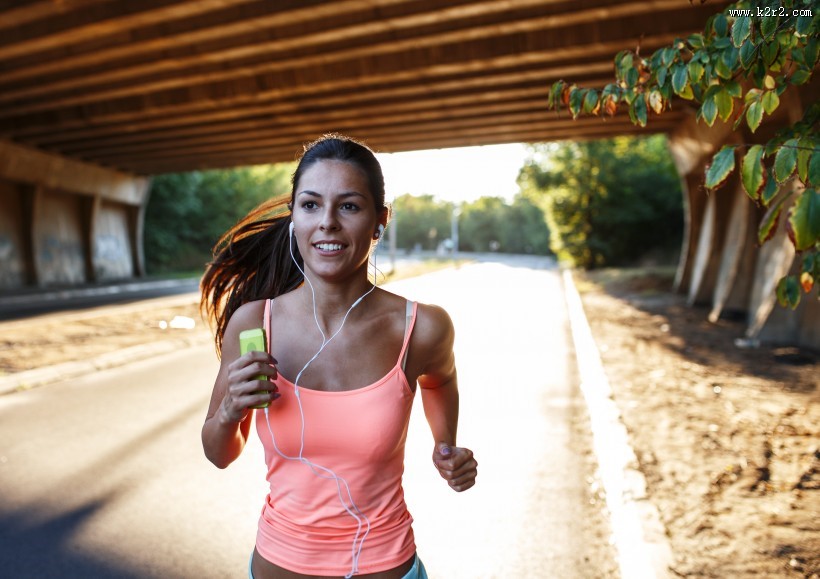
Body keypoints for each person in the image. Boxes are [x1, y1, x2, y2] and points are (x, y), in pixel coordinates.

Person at [200, 134, 478, 579]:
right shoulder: (254, 326)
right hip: (277, 564)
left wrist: (445, 444)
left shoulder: (421, 327)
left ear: (379, 221)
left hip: (387, 564)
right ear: (294, 217)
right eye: (311, 205)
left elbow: (440, 379)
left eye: (348, 206)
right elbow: (219, 453)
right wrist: (231, 410)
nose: (327, 222)